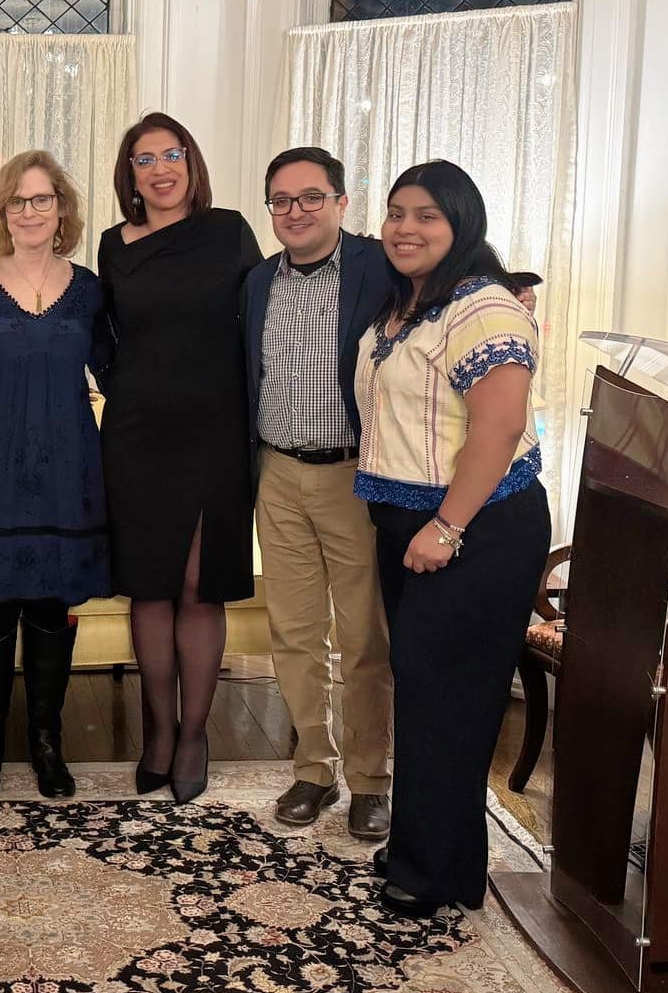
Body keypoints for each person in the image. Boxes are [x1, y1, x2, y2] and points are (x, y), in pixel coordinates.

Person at [354, 159, 550, 916]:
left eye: (426, 216)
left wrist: (447, 525)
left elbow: (499, 428)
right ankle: (425, 852)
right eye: (397, 213)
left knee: (452, 700)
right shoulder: (410, 303)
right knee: (429, 693)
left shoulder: (485, 308)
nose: (406, 228)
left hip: (474, 525)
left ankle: (439, 877)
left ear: (461, 223)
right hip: (410, 520)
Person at [96, 113, 263, 803]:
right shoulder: (112, 245)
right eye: (144, 159)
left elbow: (261, 321)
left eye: (172, 154)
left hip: (217, 432)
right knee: (150, 586)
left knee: (199, 587)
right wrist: (126, 387)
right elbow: (101, 337)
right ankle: (157, 733)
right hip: (137, 436)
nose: (160, 168)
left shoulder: (230, 231)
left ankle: (195, 734)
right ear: (129, 175)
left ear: (191, 163)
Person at [0, 153, 111, 799]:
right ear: (2, 212)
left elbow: (118, 371)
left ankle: (47, 740)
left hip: (69, 471)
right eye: (18, 201)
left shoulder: (91, 288)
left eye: (42, 200)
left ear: (62, 209)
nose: (31, 212)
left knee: (50, 607)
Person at [243, 146, 392, 836]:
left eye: (309, 197)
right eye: (280, 200)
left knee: (363, 636)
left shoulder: (376, 267)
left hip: (353, 475)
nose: (294, 211)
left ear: (341, 202)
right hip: (276, 473)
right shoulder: (255, 283)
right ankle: (312, 769)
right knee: (293, 631)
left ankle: (369, 779)